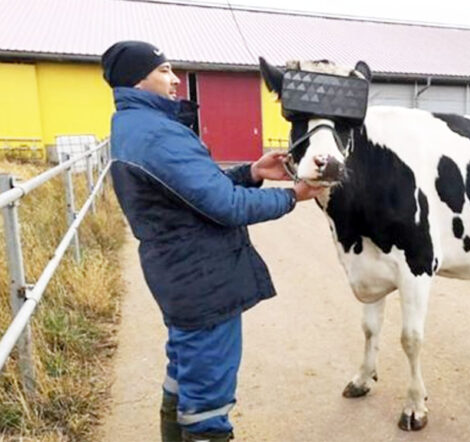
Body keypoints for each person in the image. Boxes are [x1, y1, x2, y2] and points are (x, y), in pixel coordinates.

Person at [101, 40, 322, 442]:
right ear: (138, 79)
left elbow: (195, 191)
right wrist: (292, 195)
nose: (175, 79)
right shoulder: (158, 136)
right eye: (164, 69)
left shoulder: (138, 127)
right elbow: (225, 206)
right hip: (201, 280)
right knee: (208, 403)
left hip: (180, 274)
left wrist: (252, 172)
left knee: (184, 374)